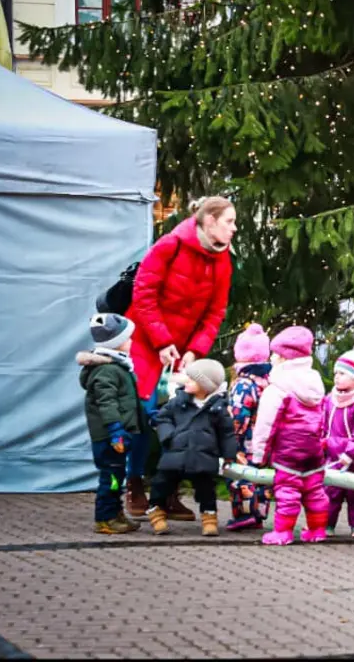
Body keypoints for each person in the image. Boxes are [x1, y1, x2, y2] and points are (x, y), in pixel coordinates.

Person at [124, 196, 236, 521]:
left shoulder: (223, 260)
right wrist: (161, 341)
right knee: (146, 413)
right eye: (229, 221)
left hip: (184, 351)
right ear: (210, 220)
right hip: (147, 342)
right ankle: (134, 483)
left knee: (185, 415)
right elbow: (143, 295)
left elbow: (216, 311)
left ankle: (168, 492)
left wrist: (194, 351)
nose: (234, 227)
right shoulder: (169, 246)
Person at [252, 326, 331, 546]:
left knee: (287, 491)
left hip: (287, 451)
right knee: (315, 491)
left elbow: (266, 424)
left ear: (281, 357)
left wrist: (259, 455)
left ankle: (283, 532)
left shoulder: (278, 387)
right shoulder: (314, 383)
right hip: (314, 450)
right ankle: (317, 530)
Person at [145, 359, 237, 538]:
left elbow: (227, 434)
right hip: (175, 454)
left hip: (203, 456)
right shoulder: (178, 402)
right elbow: (162, 418)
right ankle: (156, 512)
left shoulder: (218, 408)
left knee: (206, 488)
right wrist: (168, 436)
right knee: (161, 483)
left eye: (191, 379)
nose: (185, 381)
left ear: (205, 385)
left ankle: (209, 517)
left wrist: (229, 455)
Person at [79, 313, 145, 534]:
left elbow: (126, 401)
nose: (132, 342)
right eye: (128, 338)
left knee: (117, 475)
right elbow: (107, 404)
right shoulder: (107, 371)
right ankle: (105, 518)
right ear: (116, 343)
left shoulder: (118, 367)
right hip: (110, 437)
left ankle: (115, 513)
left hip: (119, 434)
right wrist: (115, 430)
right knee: (111, 477)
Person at [324, 342, 354, 540]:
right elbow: (322, 422)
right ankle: (326, 523)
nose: (337, 377)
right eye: (336, 373)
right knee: (330, 491)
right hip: (332, 453)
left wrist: (351, 452)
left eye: (343, 374)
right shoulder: (330, 399)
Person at [225, 323, 273, 532]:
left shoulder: (243, 383)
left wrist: (231, 437)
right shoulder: (267, 381)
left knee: (240, 475)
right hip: (264, 440)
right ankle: (259, 512)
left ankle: (244, 513)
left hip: (246, 440)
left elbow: (239, 413)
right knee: (261, 477)